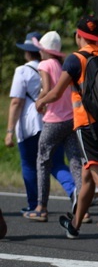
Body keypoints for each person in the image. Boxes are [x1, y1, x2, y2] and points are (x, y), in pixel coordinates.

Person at [36, 15, 98, 245]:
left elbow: (57, 92)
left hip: (86, 124)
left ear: (79, 36)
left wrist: (41, 102)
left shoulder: (75, 59)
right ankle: (75, 225)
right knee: (88, 176)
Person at [5, 32, 75, 215]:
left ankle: (35, 205)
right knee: (57, 163)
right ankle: (74, 191)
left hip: (30, 123)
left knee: (29, 163)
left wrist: (10, 130)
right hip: (56, 119)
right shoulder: (59, 67)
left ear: (28, 53)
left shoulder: (23, 71)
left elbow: (16, 102)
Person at [28, 31, 82, 222]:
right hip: (71, 119)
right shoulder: (61, 65)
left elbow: (47, 88)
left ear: (44, 50)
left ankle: (41, 207)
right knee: (75, 160)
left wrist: (40, 101)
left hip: (54, 120)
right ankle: (83, 207)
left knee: (43, 160)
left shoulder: (44, 64)